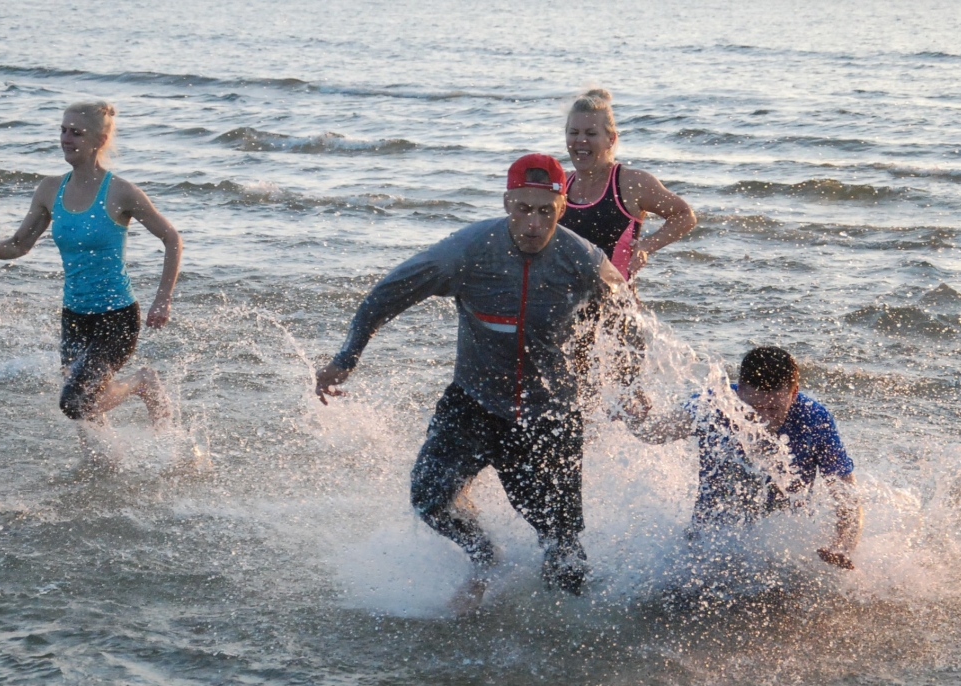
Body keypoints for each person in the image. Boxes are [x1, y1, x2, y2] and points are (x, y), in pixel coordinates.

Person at [315, 154, 628, 597]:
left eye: (544, 211)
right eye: (523, 209)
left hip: (549, 415)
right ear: (507, 203)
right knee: (430, 498)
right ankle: (485, 556)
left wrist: (626, 382)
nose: (533, 224)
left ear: (562, 209)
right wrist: (346, 358)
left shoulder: (583, 260)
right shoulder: (464, 252)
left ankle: (568, 635)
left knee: (562, 546)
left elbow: (629, 320)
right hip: (474, 403)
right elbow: (387, 295)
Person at [0, 101, 182, 428]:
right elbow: (20, 245)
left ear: (100, 140)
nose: (66, 138)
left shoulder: (121, 192)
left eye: (76, 133)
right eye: (63, 130)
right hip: (74, 317)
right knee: (85, 412)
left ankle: (142, 382)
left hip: (117, 317)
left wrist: (163, 299)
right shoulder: (50, 189)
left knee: (75, 401)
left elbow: (171, 238)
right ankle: (105, 466)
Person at [626, 346, 863, 569]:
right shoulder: (714, 404)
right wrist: (634, 416)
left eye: (773, 410)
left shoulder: (814, 419)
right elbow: (655, 433)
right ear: (739, 391)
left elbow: (847, 495)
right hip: (707, 542)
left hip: (781, 551)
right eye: (754, 408)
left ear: (793, 394)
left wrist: (841, 546)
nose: (763, 419)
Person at [562, 88, 697, 280]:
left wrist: (645, 246)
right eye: (574, 132)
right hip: (561, 305)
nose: (581, 140)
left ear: (611, 139)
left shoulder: (629, 183)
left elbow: (684, 215)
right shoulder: (559, 184)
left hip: (616, 305)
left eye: (591, 133)